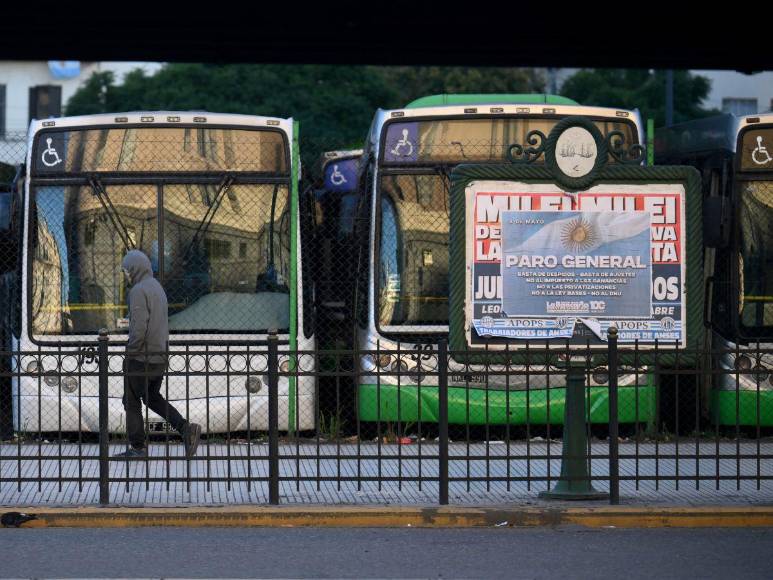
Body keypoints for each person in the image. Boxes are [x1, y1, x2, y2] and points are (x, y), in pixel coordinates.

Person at [114, 250, 201, 459]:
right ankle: (185, 429)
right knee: (152, 397)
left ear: (134, 269)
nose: (126, 275)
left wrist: (130, 352)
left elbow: (138, 328)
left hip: (141, 357)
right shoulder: (157, 288)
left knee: (131, 401)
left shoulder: (138, 290)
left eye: (126, 270)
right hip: (159, 356)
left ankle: (138, 448)